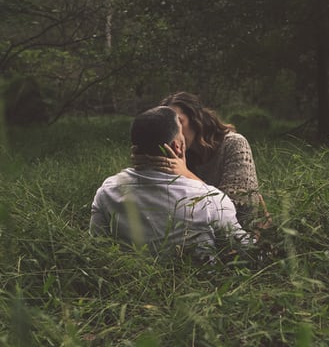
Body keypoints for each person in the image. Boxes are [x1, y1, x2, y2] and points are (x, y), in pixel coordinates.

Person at [90, 106, 251, 263]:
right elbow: (246, 250)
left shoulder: (107, 191)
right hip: (201, 286)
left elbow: (97, 250)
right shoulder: (212, 199)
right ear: (177, 147)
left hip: (129, 285)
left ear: (134, 149)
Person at [132, 91, 271, 230]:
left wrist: (185, 174)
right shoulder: (177, 152)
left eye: (180, 123)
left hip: (239, 234)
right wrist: (145, 162)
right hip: (196, 233)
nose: (175, 132)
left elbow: (236, 209)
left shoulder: (234, 144)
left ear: (196, 119)